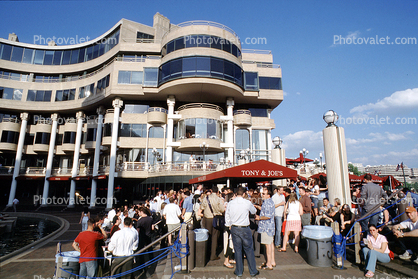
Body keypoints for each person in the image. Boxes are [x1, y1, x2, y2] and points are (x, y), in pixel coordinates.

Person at [225, 186, 259, 277]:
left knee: (237, 250)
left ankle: (239, 271)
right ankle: (253, 270)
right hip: (245, 227)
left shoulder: (231, 203)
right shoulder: (247, 202)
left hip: (235, 227)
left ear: (236, 193)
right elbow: (253, 211)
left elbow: (227, 215)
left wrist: (229, 225)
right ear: (244, 194)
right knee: (249, 250)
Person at [199, 186, 225, 261]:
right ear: (217, 191)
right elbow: (222, 209)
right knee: (214, 237)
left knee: (207, 236)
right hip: (215, 219)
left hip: (207, 219)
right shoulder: (218, 199)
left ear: (211, 190)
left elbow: (202, 207)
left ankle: (206, 253)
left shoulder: (206, 198)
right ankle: (213, 255)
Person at [256, 186, 276, 270]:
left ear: (268, 195)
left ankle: (269, 264)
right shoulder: (270, 201)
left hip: (266, 227)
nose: (262, 195)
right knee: (270, 244)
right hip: (270, 227)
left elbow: (267, 216)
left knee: (267, 245)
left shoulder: (267, 202)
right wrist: (257, 207)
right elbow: (267, 211)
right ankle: (272, 261)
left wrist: (259, 218)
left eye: (264, 193)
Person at [223, 192, 236, 269]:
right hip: (228, 226)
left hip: (230, 225)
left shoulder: (230, 204)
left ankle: (230, 258)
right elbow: (229, 216)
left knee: (231, 243)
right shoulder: (230, 204)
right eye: (234, 196)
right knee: (228, 243)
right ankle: (226, 261)